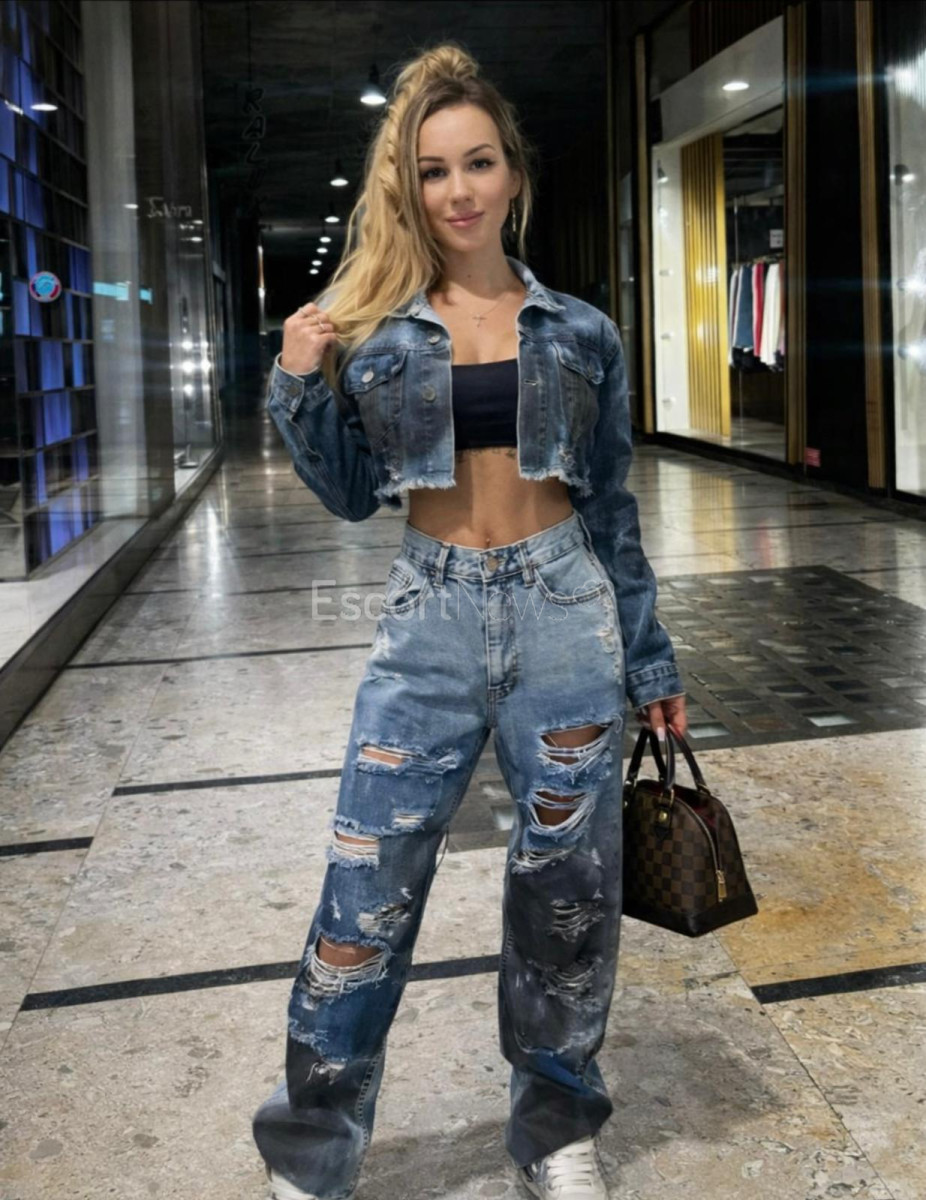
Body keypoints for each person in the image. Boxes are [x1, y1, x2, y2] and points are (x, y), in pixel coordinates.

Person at [252, 41, 687, 1200]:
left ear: (512, 174)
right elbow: (352, 495)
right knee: (365, 886)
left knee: (565, 893)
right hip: (430, 616)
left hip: (563, 614)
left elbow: (610, 506)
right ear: (409, 187)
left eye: (477, 162)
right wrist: (298, 379)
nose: (458, 190)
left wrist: (650, 661)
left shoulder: (579, 332)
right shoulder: (378, 332)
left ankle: (554, 1129)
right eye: (433, 170)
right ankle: (313, 1147)